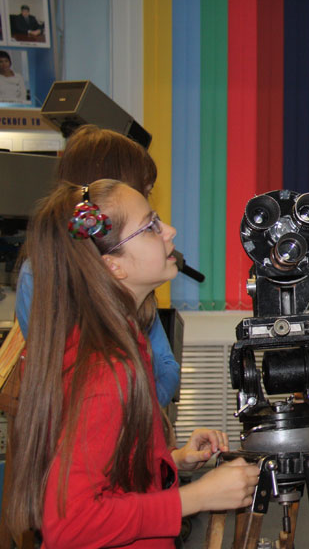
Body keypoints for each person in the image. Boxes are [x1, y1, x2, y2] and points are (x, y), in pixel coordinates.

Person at [5, 180, 260, 547]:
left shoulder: (124, 342)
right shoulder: (107, 370)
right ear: (114, 266)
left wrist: (170, 461)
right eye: (151, 226)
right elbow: (69, 524)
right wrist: (195, 497)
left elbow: (107, 470)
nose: (170, 230)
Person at [15, 125, 181, 406]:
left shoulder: (124, 283)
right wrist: (139, 405)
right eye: (143, 194)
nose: (167, 229)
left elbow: (165, 364)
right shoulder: (41, 275)